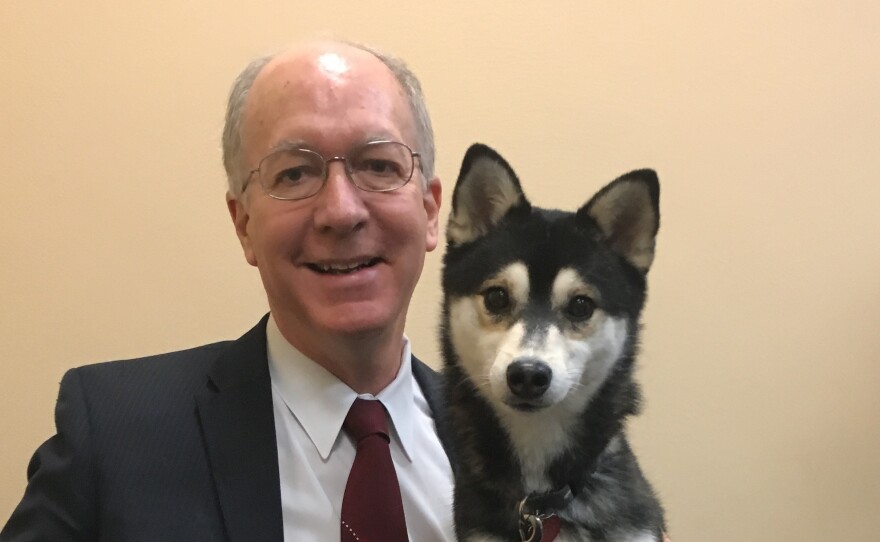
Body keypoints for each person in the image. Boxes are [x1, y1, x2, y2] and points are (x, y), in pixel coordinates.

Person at [0, 40, 453, 541]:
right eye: (296, 173)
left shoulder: (521, 445)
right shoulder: (112, 435)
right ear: (243, 224)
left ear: (430, 211)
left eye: (378, 165)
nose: (342, 211)